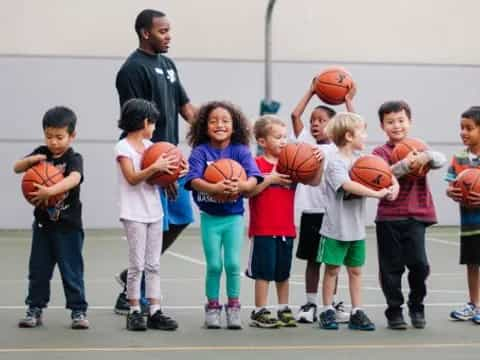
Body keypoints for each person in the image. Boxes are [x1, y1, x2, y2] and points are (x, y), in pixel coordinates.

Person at [114, 8, 196, 314]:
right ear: (145, 33)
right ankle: (134, 292)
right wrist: (162, 170)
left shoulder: (168, 64)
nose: (169, 36)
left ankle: (131, 278)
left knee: (183, 217)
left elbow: (187, 108)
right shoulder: (131, 70)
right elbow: (136, 121)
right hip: (150, 160)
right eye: (163, 31)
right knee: (153, 227)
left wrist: (219, 131)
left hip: (170, 160)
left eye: (169, 30)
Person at [317, 112, 399, 331]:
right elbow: (347, 185)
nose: (366, 135)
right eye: (362, 131)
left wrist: (392, 188)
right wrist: (377, 194)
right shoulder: (335, 163)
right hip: (335, 229)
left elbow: (387, 174)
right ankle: (326, 310)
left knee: (356, 271)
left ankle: (357, 311)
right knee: (332, 270)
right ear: (349, 136)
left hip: (356, 229)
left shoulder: (363, 161)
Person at [184, 101, 262, 329]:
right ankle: (213, 307)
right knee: (214, 265)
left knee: (232, 263)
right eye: (213, 121)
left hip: (233, 217)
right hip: (210, 217)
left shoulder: (240, 151)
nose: (220, 124)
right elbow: (192, 180)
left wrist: (242, 186)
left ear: (235, 126)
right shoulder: (200, 151)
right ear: (204, 126)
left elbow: (254, 178)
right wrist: (215, 188)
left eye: (225, 121)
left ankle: (234, 307)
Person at [373, 101, 446, 330]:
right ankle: (394, 311)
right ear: (382, 126)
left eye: (401, 120)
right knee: (391, 268)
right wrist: (405, 164)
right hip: (389, 216)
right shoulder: (379, 153)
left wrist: (426, 157)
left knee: (419, 265)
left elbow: (440, 160)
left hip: (416, 214)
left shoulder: (420, 147)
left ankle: (417, 305)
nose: (396, 126)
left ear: (410, 122)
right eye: (390, 122)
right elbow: (384, 174)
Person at [14, 106, 89, 329]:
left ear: (71, 136)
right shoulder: (41, 153)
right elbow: (16, 167)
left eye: (59, 137)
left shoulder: (74, 158)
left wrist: (51, 190)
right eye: (49, 136)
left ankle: (78, 311)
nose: (54, 142)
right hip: (43, 226)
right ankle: (34, 309)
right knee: (38, 270)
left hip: (69, 227)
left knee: (72, 270)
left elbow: (74, 178)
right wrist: (30, 161)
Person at [245, 115, 322, 328]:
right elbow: (248, 192)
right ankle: (260, 310)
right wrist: (270, 178)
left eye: (285, 137)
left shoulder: (292, 165)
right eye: (277, 137)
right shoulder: (256, 164)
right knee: (264, 272)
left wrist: (319, 160)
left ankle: (283, 308)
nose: (283, 141)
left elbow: (314, 181)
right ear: (262, 141)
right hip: (262, 229)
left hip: (286, 229)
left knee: (282, 272)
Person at [291, 79, 356, 324]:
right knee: (312, 260)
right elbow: (295, 114)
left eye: (321, 120)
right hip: (311, 211)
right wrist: (312, 89)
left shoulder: (339, 147)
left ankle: (332, 301)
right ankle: (310, 302)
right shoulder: (305, 142)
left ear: (335, 126)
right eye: (313, 121)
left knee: (333, 261)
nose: (315, 124)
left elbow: (354, 125)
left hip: (334, 212)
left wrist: (348, 99)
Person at [115, 99, 179, 331]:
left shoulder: (152, 147)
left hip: (154, 211)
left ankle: (154, 310)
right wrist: (156, 167)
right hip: (133, 213)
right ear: (144, 121)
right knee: (137, 265)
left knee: (153, 264)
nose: (154, 127)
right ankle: (133, 310)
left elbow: (156, 178)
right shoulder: (123, 148)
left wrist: (171, 178)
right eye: (153, 122)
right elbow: (132, 178)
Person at [446, 106, 480, 325]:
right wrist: (451, 191)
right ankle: (473, 304)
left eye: (469, 128)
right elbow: (450, 185)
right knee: (472, 264)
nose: (463, 132)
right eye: (461, 128)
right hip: (469, 223)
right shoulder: (459, 158)